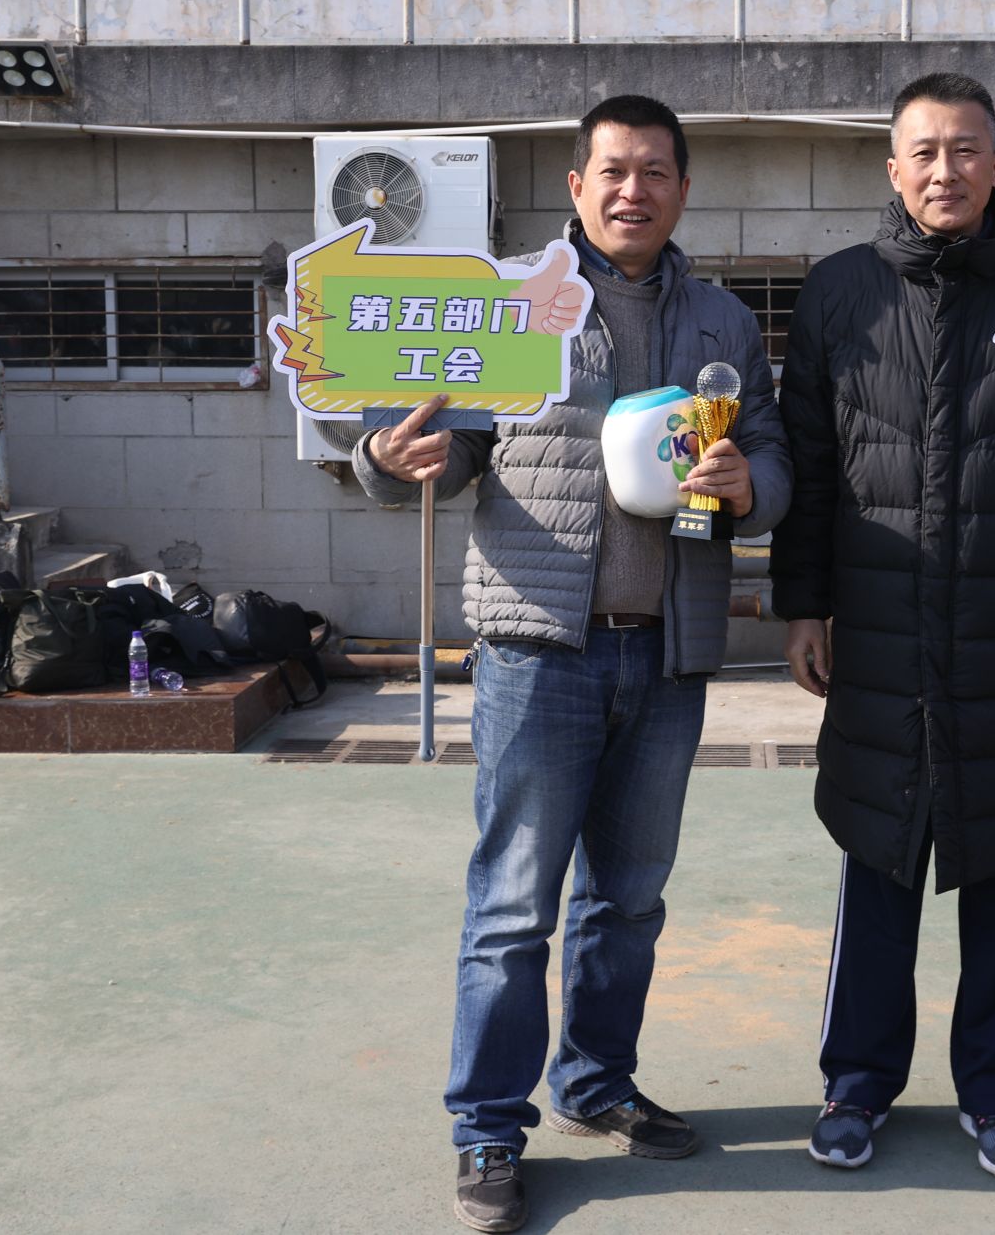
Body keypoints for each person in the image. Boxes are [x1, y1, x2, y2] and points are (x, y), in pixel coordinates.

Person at [345, 95, 790, 1233]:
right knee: (511, 908)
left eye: (654, 171)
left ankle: (593, 1083)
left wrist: (754, 486)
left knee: (627, 900)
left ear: (682, 189)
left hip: (670, 652)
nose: (633, 190)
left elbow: (772, 456)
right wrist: (387, 461)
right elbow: (433, 443)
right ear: (577, 187)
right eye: (612, 171)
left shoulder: (724, 322)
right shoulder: (510, 305)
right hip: (538, 651)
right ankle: (489, 1128)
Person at [769, 72, 995, 1180]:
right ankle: (855, 1085)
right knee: (877, 861)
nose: (944, 170)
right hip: (878, 640)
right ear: (892, 169)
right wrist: (802, 604)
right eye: (922, 152)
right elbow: (810, 469)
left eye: (965, 149)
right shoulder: (839, 294)